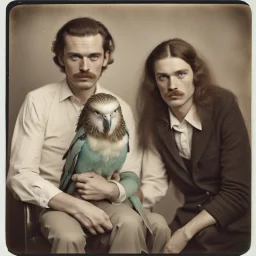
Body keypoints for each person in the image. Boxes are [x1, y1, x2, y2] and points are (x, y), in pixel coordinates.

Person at [7, 17, 171, 254]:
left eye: (93, 57)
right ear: (61, 57)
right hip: (58, 203)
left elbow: (130, 172)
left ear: (105, 58)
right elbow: (20, 175)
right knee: (69, 236)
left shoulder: (120, 108)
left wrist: (111, 190)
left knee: (136, 223)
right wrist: (75, 206)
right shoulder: (39, 101)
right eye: (75, 57)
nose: (85, 67)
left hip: (108, 200)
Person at [137, 38, 251, 254]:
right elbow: (155, 182)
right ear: (155, 82)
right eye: (163, 77)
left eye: (181, 74)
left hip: (235, 225)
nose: (172, 86)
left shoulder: (223, 105)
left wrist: (184, 234)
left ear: (195, 75)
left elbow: (238, 192)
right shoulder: (156, 122)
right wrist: (124, 194)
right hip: (189, 218)